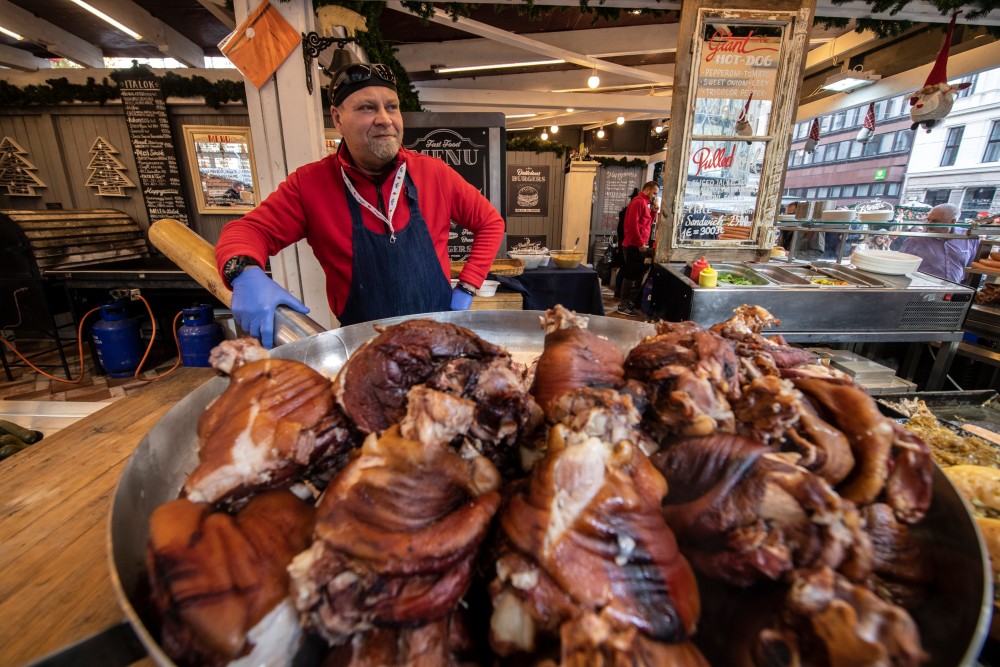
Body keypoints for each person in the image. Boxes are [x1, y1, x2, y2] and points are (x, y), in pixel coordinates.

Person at [215, 63, 504, 347]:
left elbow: (490, 222)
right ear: (338, 119)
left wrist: (467, 286)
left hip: (437, 342)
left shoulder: (433, 174)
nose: (384, 119)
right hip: (362, 349)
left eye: (391, 107)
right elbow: (247, 231)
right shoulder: (310, 184)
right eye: (367, 108)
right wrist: (244, 272)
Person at [899, 203, 979, 284]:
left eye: (935, 221)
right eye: (928, 219)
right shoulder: (915, 240)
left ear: (952, 222)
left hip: (954, 288)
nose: (929, 224)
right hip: (921, 287)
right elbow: (901, 265)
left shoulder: (968, 238)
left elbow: (971, 267)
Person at [617, 180, 659, 317]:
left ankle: (628, 302)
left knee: (635, 274)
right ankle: (623, 306)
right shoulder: (638, 202)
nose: (654, 196)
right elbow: (632, 224)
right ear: (647, 190)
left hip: (639, 244)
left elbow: (645, 223)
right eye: (654, 193)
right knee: (630, 275)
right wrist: (640, 243)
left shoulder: (645, 203)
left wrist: (653, 212)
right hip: (633, 245)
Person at [613, 187, 640, 297]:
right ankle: (620, 293)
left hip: (623, 243)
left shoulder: (624, 213)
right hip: (627, 244)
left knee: (623, 268)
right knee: (626, 269)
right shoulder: (629, 214)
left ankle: (618, 292)